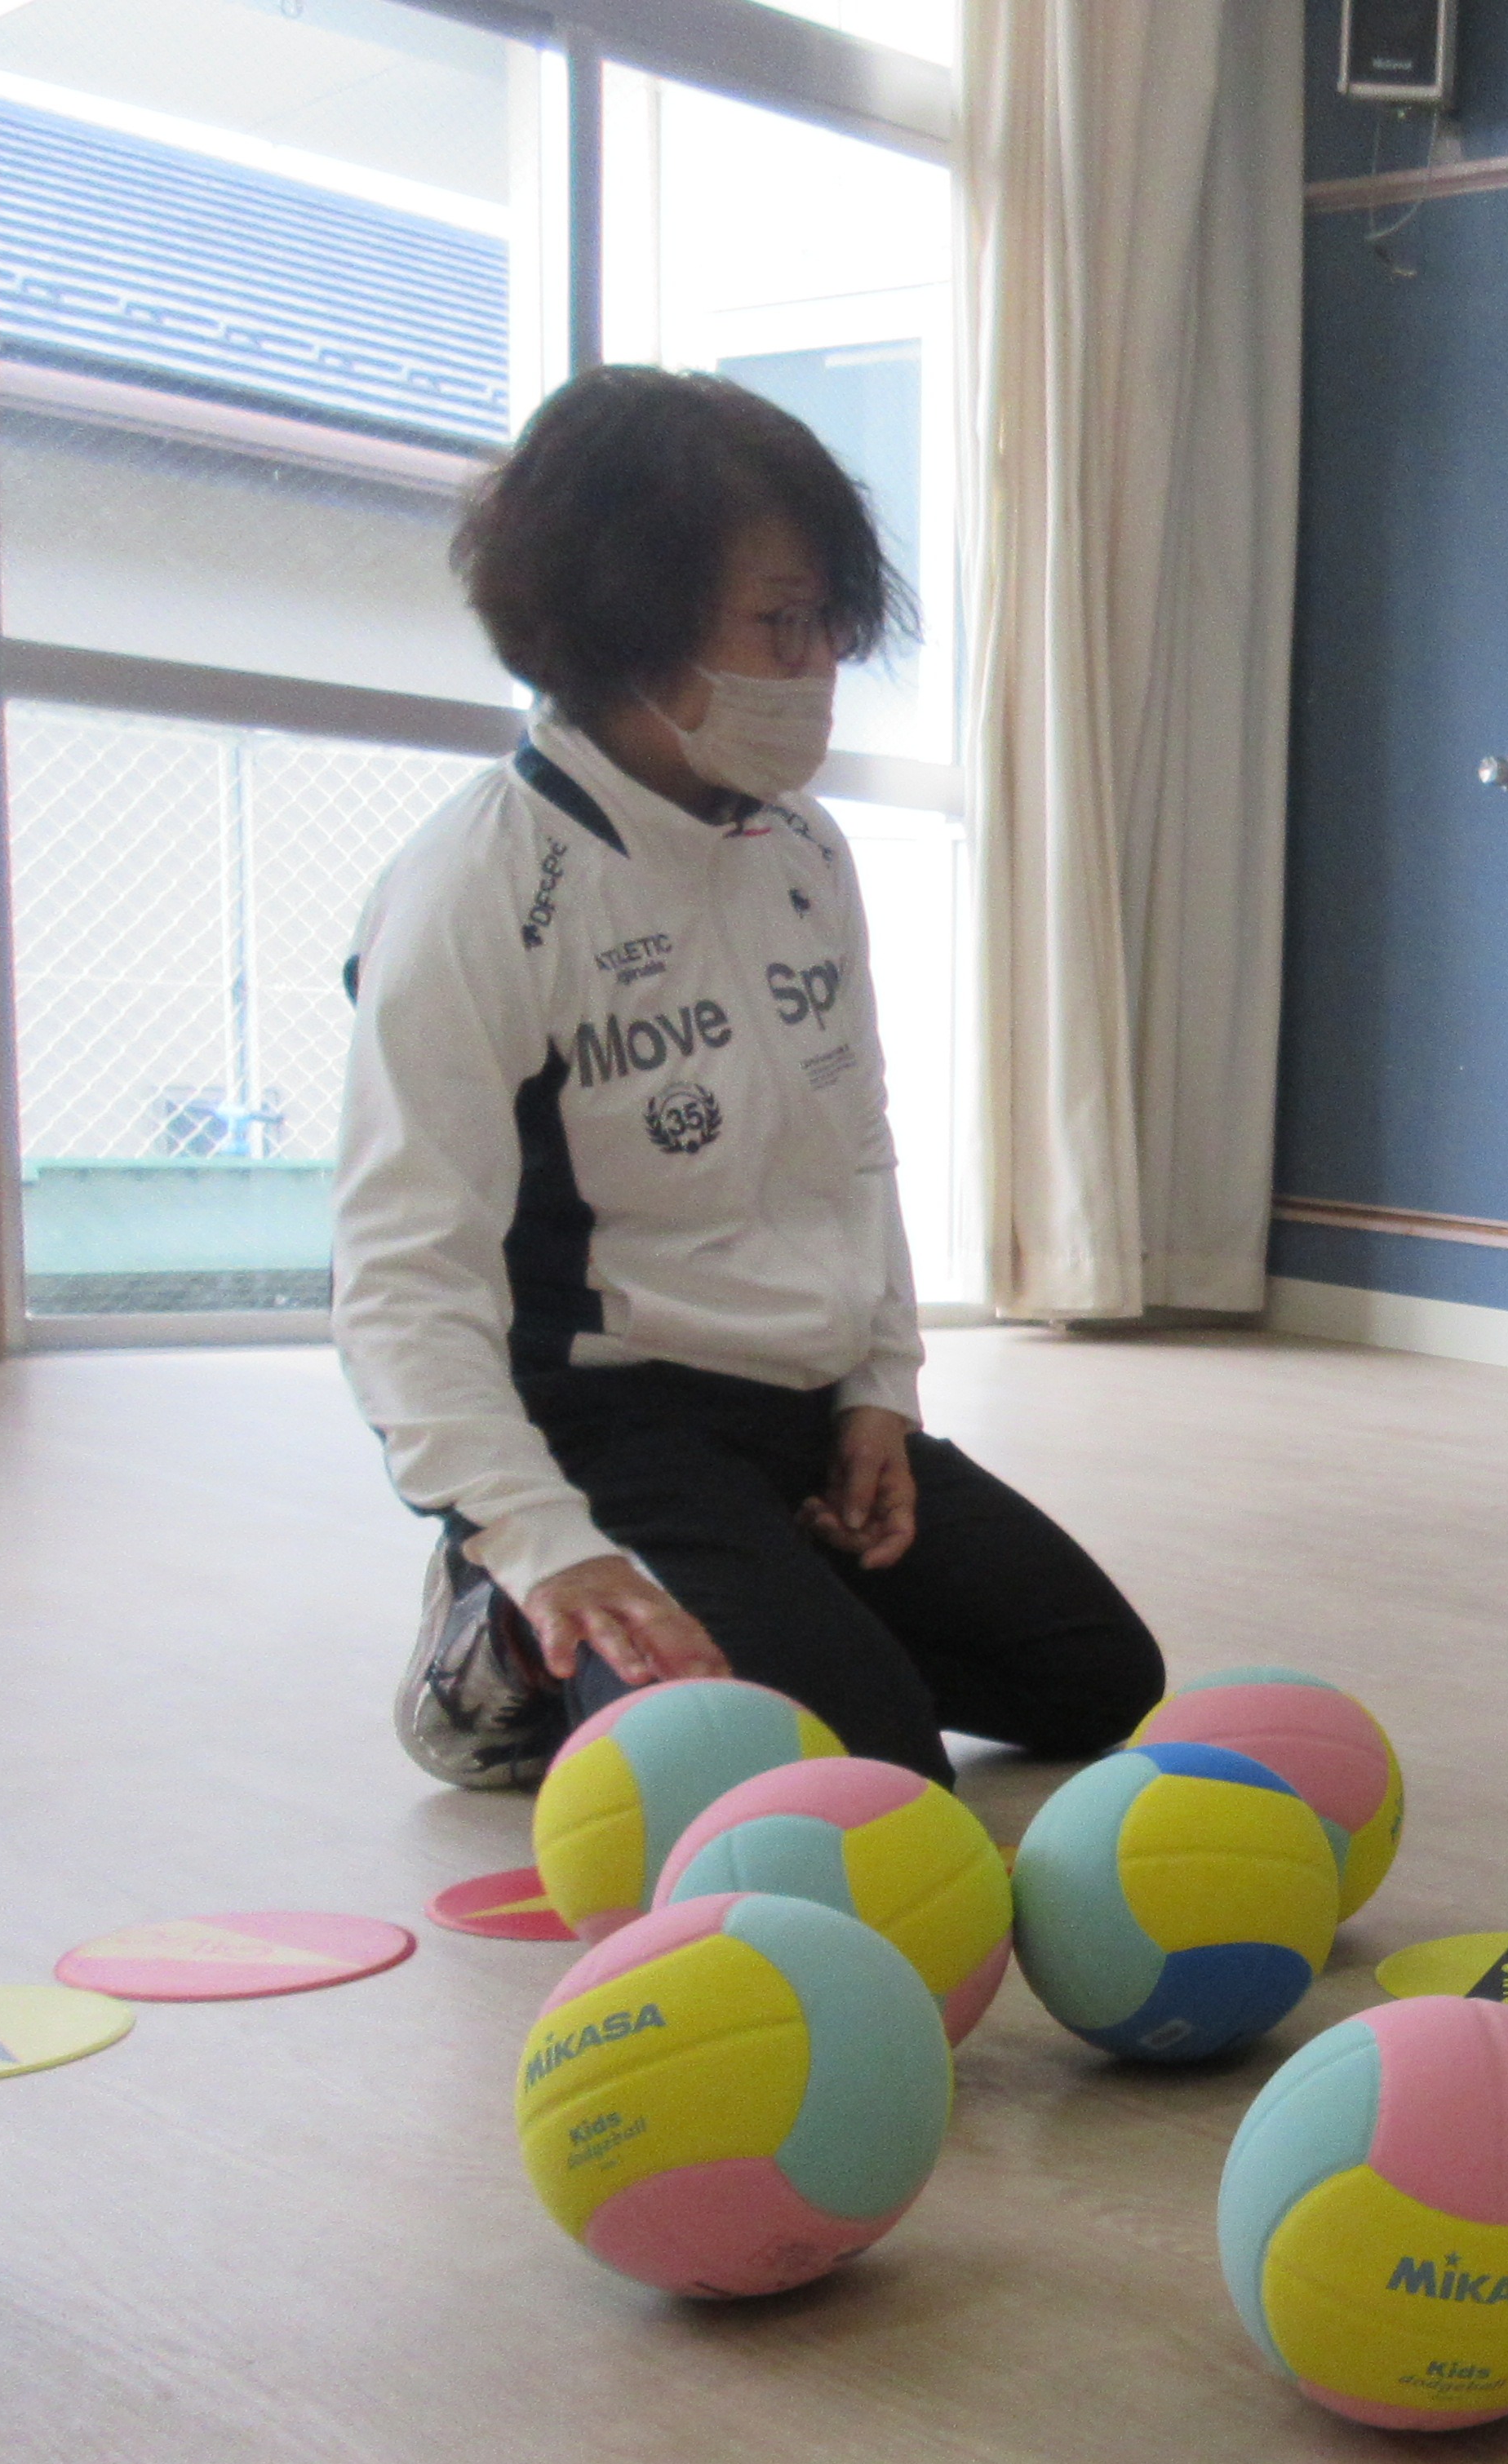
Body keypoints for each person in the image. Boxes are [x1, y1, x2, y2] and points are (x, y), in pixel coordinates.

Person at [335, 366, 1164, 1788]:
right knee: (869, 1765)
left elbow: (855, 1144)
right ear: (627, 625)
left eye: (830, 622)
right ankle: (511, 1634)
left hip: (792, 1407)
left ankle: (759, 1609)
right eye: (781, 625)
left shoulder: (801, 847)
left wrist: (877, 1394)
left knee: (1094, 1675)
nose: (820, 665)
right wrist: (540, 1534)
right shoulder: (478, 888)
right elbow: (402, 1273)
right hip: (604, 1421)